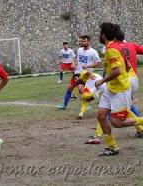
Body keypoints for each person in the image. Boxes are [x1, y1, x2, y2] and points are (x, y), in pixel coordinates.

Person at [94, 22, 143, 156]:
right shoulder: (114, 47)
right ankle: (111, 147)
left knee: (117, 122)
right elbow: (127, 65)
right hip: (112, 88)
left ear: (103, 35)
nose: (99, 35)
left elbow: (118, 71)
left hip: (120, 89)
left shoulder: (111, 50)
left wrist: (102, 80)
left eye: (100, 32)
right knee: (101, 115)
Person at [56, 35, 101, 110]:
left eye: (84, 41)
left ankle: (88, 104)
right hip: (77, 72)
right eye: (82, 41)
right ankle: (65, 105)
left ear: (89, 42)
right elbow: (77, 60)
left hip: (86, 74)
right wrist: (74, 64)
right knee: (70, 88)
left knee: (81, 89)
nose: (82, 42)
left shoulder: (93, 52)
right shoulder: (80, 50)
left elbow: (99, 63)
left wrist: (88, 66)